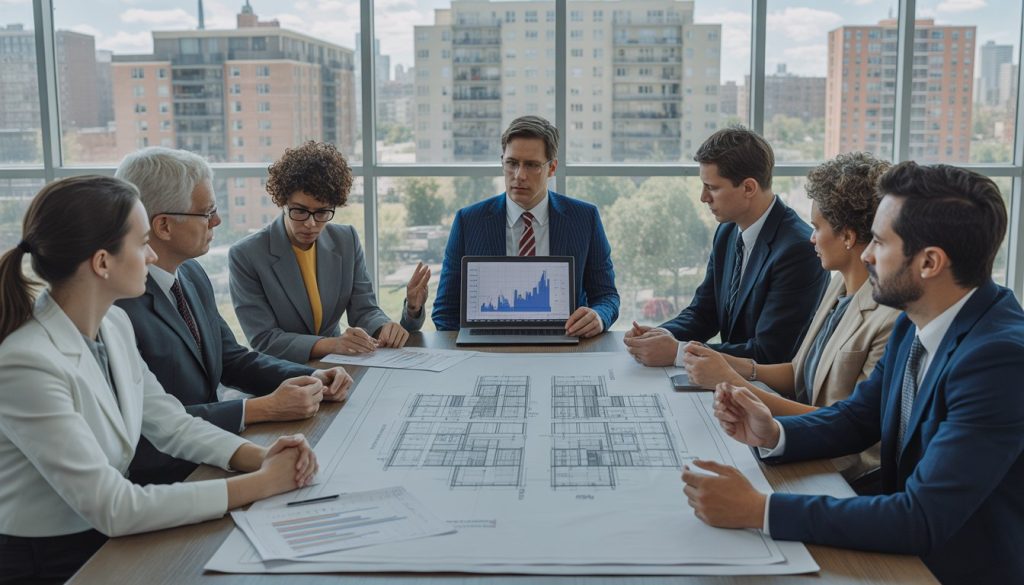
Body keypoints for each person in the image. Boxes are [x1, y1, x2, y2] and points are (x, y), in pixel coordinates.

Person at [681, 162, 1024, 585]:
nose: (865, 254)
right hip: (905, 549)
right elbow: (857, 418)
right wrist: (773, 433)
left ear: (930, 262)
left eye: (879, 242)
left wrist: (759, 509)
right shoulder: (914, 319)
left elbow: (919, 517)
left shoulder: (999, 360)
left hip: (949, 569)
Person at [0, 176, 318, 584]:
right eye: (141, 242)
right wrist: (261, 484)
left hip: (108, 539)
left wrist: (263, 456)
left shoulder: (113, 323)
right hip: (49, 562)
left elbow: (170, 423)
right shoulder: (26, 363)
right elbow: (116, 507)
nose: (151, 255)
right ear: (102, 262)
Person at [113, 147, 353, 485]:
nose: (217, 221)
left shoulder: (192, 275)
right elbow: (149, 425)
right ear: (164, 225)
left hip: (215, 455)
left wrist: (311, 377)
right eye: (207, 212)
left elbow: (232, 358)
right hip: (167, 476)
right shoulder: (117, 306)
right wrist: (264, 408)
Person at [681, 152, 899, 487]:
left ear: (848, 237)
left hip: (843, 474)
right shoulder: (839, 281)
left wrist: (736, 384)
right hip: (803, 449)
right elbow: (799, 372)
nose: (811, 238)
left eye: (817, 227)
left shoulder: (890, 318)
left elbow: (845, 426)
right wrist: (726, 364)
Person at [624, 126, 827, 366]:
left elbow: (771, 352)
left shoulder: (799, 251)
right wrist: (660, 336)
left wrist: (678, 353)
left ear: (748, 188)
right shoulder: (728, 231)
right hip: (726, 383)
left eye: (712, 187)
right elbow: (704, 312)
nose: (703, 197)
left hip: (767, 393)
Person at [229, 141, 430, 364]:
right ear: (283, 202)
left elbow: (364, 310)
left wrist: (384, 327)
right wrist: (332, 344)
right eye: (300, 211)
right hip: (281, 373)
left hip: (338, 365)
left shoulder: (346, 240)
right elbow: (264, 339)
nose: (311, 224)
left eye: (322, 212)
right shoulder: (246, 255)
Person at [432, 115, 619, 337]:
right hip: (487, 353)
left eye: (531, 165)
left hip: (566, 349)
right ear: (503, 162)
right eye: (512, 163)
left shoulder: (584, 218)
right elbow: (445, 312)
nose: (519, 175)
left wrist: (598, 316)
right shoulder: (468, 221)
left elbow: (607, 296)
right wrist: (470, 356)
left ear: (552, 168)